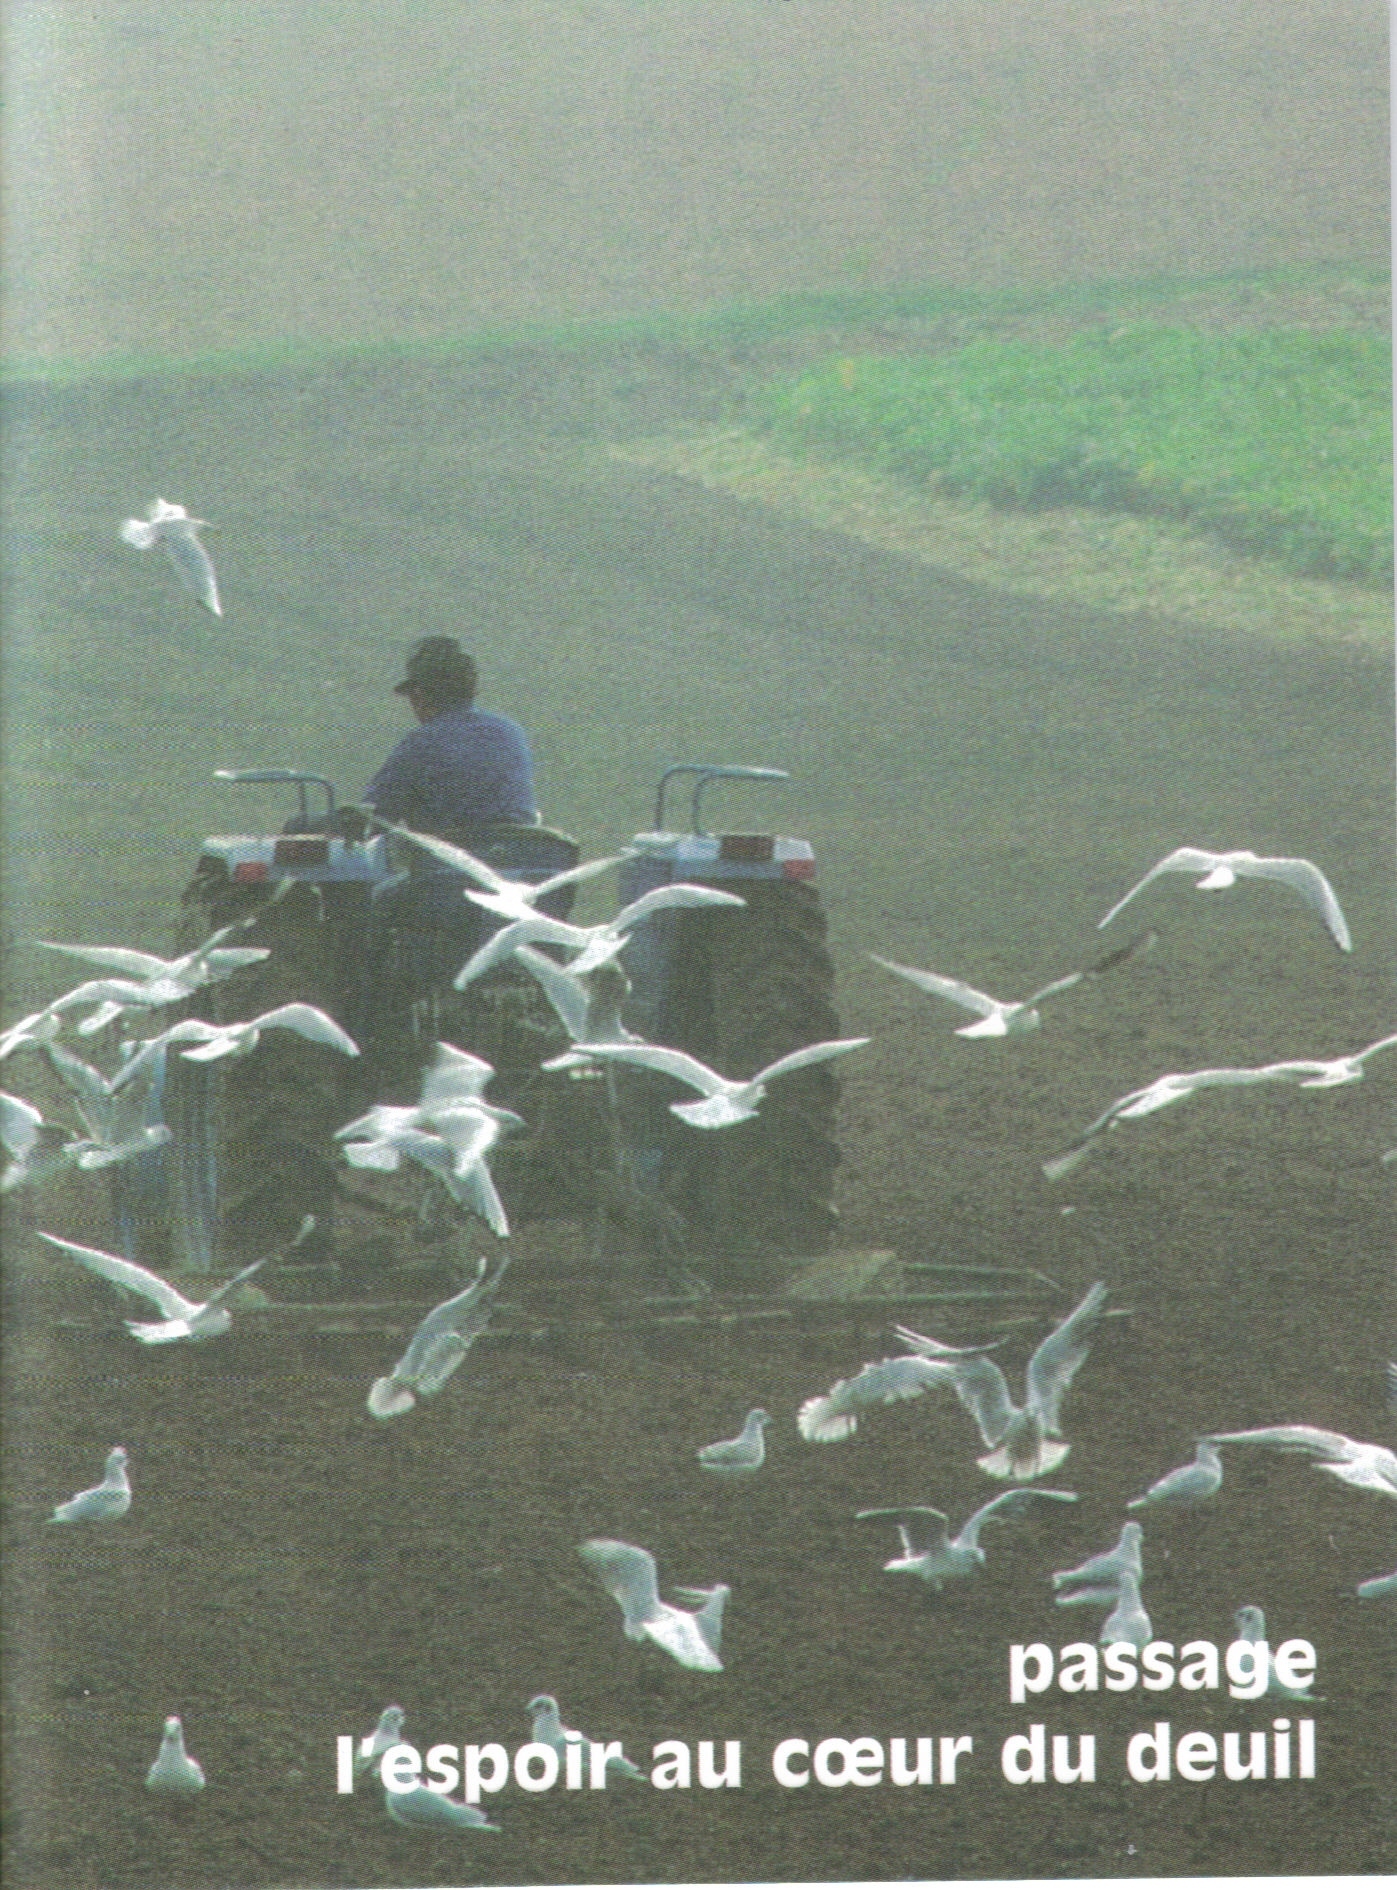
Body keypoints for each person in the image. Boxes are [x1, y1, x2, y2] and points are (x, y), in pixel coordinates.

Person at [362, 636, 538, 836]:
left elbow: (374, 817)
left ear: (418, 695)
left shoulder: (421, 742)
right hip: (523, 848)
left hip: (456, 851)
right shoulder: (510, 731)